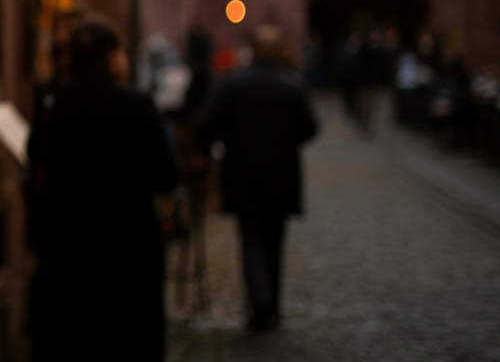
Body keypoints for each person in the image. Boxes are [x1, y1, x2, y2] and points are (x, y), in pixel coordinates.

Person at [28, 20, 179, 361]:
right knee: (127, 340)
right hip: (129, 248)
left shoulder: (55, 107)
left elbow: (34, 156)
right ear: (112, 58)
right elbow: (168, 176)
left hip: (68, 247)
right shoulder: (136, 106)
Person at [195, 25, 318, 333]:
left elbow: (206, 124)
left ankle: (260, 303)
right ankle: (271, 305)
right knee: (274, 242)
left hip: (243, 175)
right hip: (281, 176)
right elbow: (309, 129)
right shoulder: (292, 87)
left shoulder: (234, 86)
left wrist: (208, 149)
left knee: (250, 239)